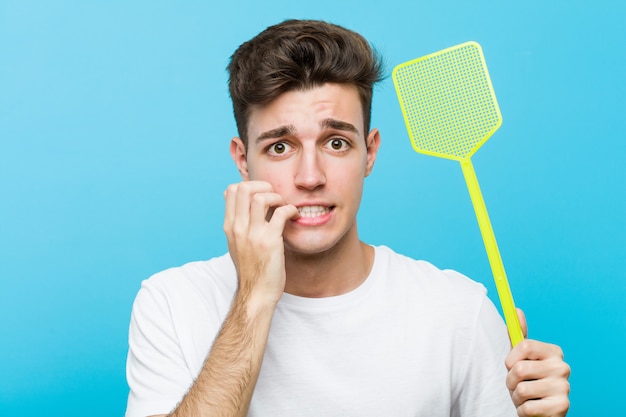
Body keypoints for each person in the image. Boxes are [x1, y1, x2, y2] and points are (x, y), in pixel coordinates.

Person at [125, 19, 570, 417]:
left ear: (370, 152)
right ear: (243, 160)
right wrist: (255, 299)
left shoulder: (458, 311)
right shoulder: (171, 304)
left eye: (336, 142)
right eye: (280, 147)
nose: (310, 177)